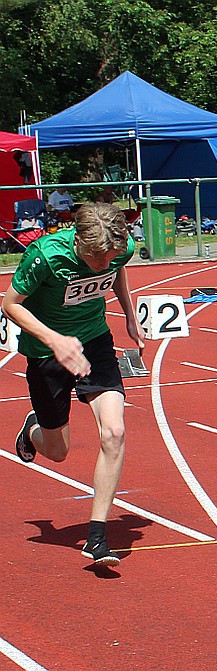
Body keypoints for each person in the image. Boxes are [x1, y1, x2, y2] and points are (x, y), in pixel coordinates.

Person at [3, 203, 144, 566]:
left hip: (95, 341)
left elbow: (120, 270)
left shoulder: (119, 247)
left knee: (114, 432)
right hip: (47, 352)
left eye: (110, 258)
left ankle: (97, 537)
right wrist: (56, 340)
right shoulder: (45, 255)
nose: (103, 266)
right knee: (58, 451)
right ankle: (32, 429)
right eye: (97, 261)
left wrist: (130, 316)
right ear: (79, 242)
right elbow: (10, 305)